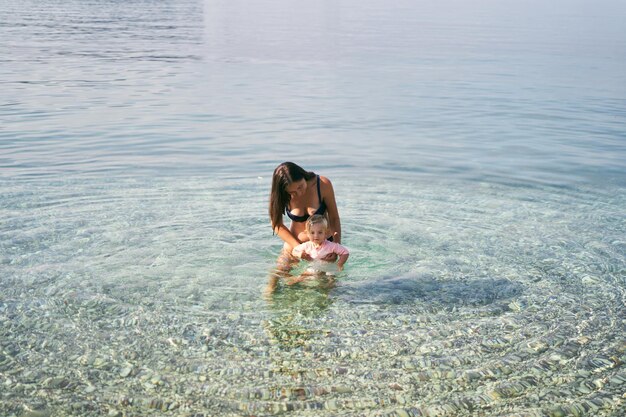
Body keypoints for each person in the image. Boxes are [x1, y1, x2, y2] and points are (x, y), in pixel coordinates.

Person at [268, 162, 343, 271]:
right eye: (292, 192)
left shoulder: (322, 184)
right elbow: (276, 224)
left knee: (323, 286)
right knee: (275, 279)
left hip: (323, 246)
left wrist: (336, 247)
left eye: (300, 187)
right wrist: (298, 248)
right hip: (295, 246)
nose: (299, 193)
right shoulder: (282, 194)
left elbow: (334, 218)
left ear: (303, 175)